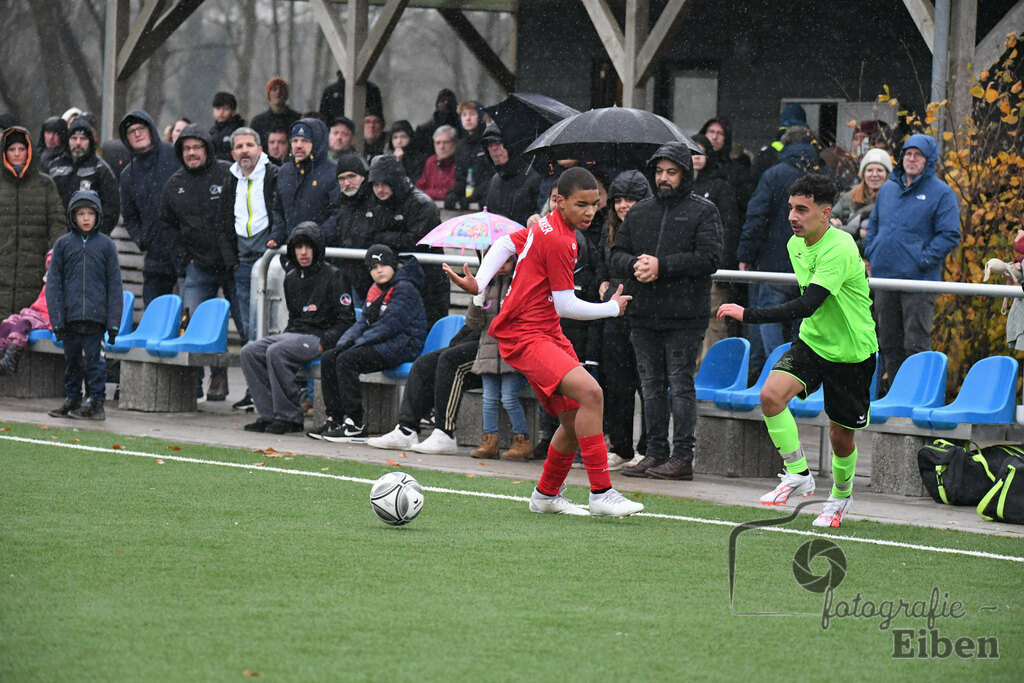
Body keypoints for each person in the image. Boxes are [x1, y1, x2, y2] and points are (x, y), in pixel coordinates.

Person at [444, 167, 643, 517]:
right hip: (528, 334)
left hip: (544, 332)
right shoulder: (559, 238)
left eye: (595, 204)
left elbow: (507, 241)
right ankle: (601, 493)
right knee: (593, 394)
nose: (589, 212)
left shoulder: (546, 225)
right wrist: (610, 309)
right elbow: (566, 304)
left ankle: (546, 495)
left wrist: (481, 283)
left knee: (572, 420)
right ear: (560, 201)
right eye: (581, 204)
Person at [717, 174, 877, 528]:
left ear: (825, 213)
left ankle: (840, 496)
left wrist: (749, 314)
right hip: (813, 342)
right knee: (771, 396)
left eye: (801, 210)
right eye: (791, 208)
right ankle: (798, 473)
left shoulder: (840, 246)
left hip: (852, 352)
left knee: (840, 436)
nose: (792, 216)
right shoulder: (796, 244)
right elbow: (810, 310)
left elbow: (808, 303)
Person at [610, 142, 723, 481]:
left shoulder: (704, 211)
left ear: (685, 174)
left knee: (680, 384)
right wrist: (635, 265)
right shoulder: (641, 211)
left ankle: (682, 456)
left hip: (685, 316)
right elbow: (616, 254)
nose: (663, 178)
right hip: (643, 313)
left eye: (671, 172)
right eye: (659, 171)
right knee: (651, 386)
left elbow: (710, 259)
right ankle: (655, 452)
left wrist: (663, 266)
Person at [864, 133, 961, 390]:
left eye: (918, 154)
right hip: (885, 279)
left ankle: (918, 397)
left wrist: (922, 259)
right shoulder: (888, 189)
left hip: (919, 282)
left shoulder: (941, 193)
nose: (911, 159)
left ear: (929, 160)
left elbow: (950, 234)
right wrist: (872, 251)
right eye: (908, 153)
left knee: (916, 344)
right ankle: (897, 397)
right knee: (889, 342)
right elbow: (874, 225)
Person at [241, 223, 355, 434]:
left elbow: (346, 320)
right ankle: (268, 415)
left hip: (318, 337)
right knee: (249, 351)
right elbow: (294, 318)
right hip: (295, 335)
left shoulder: (334, 275)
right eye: (298, 247)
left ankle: (290, 417)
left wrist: (324, 342)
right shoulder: (291, 278)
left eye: (308, 247)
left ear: (317, 248)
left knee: (277, 351)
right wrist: (287, 335)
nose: (303, 252)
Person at [308, 244, 428, 441]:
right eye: (373, 267)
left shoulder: (405, 288)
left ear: (393, 265)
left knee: (347, 360)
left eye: (383, 264)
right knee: (330, 356)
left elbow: (390, 325)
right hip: (384, 342)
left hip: (404, 344)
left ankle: (355, 423)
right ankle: (335, 418)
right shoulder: (376, 289)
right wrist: (344, 342)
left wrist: (355, 345)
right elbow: (364, 322)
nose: (378, 270)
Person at [738, 125, 831, 362]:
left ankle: (778, 366)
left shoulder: (773, 174)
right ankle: (799, 369)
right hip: (813, 259)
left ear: (785, 145)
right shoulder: (823, 175)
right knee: (806, 315)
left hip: (775, 259)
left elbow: (757, 216)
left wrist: (746, 254)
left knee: (768, 313)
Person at [159, 123, 236, 401]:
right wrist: (182, 258)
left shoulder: (228, 173)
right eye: (187, 148)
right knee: (189, 323)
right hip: (198, 266)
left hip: (232, 264)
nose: (192, 153)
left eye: (197, 147)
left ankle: (225, 377)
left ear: (207, 149)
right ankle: (192, 382)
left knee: (247, 325)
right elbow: (167, 225)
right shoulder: (174, 184)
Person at [46, 190, 123, 422]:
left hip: (95, 318)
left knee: (95, 362)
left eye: (90, 213)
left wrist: (113, 323)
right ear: (73, 216)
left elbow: (115, 286)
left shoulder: (107, 246)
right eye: (81, 213)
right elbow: (54, 286)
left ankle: (96, 402)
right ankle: (73, 398)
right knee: (72, 361)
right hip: (69, 319)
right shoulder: (62, 245)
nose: (86, 218)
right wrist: (57, 320)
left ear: (98, 215)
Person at [597, 170, 651, 470]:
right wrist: (603, 280)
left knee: (648, 384)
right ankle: (621, 447)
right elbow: (602, 261)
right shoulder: (609, 227)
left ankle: (647, 447)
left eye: (631, 199)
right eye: (618, 199)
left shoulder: (653, 224)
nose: (623, 205)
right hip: (613, 313)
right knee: (617, 384)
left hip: (643, 312)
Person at [366, 323, 483, 454]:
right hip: (480, 341)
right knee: (424, 364)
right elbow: (474, 320)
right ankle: (406, 430)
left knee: (449, 360)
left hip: (499, 347)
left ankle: (445, 433)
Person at [365, 154, 449, 326]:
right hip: (397, 282)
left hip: (429, 283)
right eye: (376, 184)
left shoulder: (422, 204)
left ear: (395, 181)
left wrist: (383, 238)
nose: (380, 190)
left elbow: (417, 241)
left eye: (385, 183)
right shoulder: (377, 204)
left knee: (429, 330)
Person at [466, 260, 531, 460]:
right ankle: (489, 440)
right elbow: (474, 323)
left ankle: (522, 440)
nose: (501, 265)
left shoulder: (519, 283)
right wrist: (477, 302)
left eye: (507, 261)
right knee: (489, 398)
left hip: (512, 353)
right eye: (498, 260)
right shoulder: (485, 284)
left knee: (509, 397)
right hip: (488, 351)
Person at [1, 126, 65, 319]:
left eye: (21, 149)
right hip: (3, 265)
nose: (17, 154)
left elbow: (57, 221)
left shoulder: (45, 184)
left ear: (29, 151)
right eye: (12, 150)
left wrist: (56, 250)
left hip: (34, 269)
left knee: (27, 326)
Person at [118, 110, 180, 304]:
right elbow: (130, 216)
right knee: (154, 314)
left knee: (188, 316)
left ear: (151, 129)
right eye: (131, 131)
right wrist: (142, 240)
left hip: (186, 252)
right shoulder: (128, 175)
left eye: (141, 128)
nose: (137, 134)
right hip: (155, 258)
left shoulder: (174, 155)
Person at [224, 127, 278, 346]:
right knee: (248, 327)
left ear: (260, 149)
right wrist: (231, 261)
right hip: (242, 263)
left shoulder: (274, 174)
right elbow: (223, 223)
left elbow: (280, 214)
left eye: (249, 145)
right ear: (233, 154)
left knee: (273, 324)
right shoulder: (230, 179)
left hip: (270, 260)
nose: (244, 151)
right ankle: (254, 379)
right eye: (239, 146)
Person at [691, 133, 741, 356]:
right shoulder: (681, 188)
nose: (697, 156)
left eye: (702, 151)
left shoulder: (721, 186)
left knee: (714, 317)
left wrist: (723, 263)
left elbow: (729, 228)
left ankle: (712, 370)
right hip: (686, 266)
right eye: (692, 151)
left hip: (712, 265)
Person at [268, 119, 340, 248]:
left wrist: (314, 238)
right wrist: (277, 236)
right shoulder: (284, 172)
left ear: (317, 142)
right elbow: (278, 210)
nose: (299, 146)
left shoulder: (333, 172)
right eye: (295, 141)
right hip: (290, 251)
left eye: (305, 141)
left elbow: (338, 213)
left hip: (323, 252)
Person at [46, 117, 121, 234]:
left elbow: (112, 208)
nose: (78, 143)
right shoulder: (54, 167)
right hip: (59, 237)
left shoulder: (100, 169)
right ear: (68, 140)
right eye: (74, 138)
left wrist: (97, 234)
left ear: (90, 141)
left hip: (91, 238)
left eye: (83, 138)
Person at [331, 154, 375, 305]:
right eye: (342, 179)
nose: (347, 182)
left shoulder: (376, 202)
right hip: (353, 281)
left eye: (351, 176)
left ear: (363, 176)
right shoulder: (343, 208)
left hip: (376, 279)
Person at [830, 148, 892, 254]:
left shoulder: (894, 200)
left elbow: (886, 238)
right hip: (848, 259)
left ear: (887, 174)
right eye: (869, 170)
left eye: (880, 170)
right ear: (863, 174)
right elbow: (827, 226)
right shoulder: (848, 197)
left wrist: (842, 229)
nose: (874, 174)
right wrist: (858, 232)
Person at [480, 122, 542, 227]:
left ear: (512, 145)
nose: (494, 148)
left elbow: (542, 216)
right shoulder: (494, 181)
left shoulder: (535, 177)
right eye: (489, 144)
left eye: (499, 142)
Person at [0, 250, 51, 375]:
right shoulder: (48, 285)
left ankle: (11, 359)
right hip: (36, 313)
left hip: (47, 317)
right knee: (8, 322)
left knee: (22, 324)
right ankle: (2, 353)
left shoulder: (65, 285)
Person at [697, 117, 752, 208]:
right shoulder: (693, 164)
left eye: (720, 133)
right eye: (711, 132)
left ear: (726, 138)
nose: (714, 137)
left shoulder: (736, 170)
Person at [445, 101, 491, 210]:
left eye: (472, 114)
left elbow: (491, 177)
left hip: (487, 199)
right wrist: (453, 193)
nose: (468, 118)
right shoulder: (461, 145)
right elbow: (461, 177)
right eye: (464, 115)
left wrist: (474, 196)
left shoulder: (489, 141)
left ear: (480, 116)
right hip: (470, 198)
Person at [250, 77, 301, 151]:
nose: (278, 92)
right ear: (269, 95)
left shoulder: (297, 119)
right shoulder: (258, 122)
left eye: (282, 90)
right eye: (274, 89)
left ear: (286, 95)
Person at [412, 88, 459, 159]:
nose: (446, 103)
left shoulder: (463, 128)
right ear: (437, 105)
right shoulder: (424, 130)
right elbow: (417, 155)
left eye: (450, 101)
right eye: (443, 101)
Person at [415, 125, 457, 201]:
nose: (441, 147)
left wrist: (425, 193)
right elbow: (419, 187)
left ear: (454, 143)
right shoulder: (431, 161)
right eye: (438, 143)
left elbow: (452, 191)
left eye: (446, 142)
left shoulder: (459, 161)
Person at [209, 91, 246, 161]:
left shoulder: (239, 131)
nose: (221, 112)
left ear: (233, 111)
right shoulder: (211, 132)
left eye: (226, 109)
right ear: (213, 111)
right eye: (218, 108)